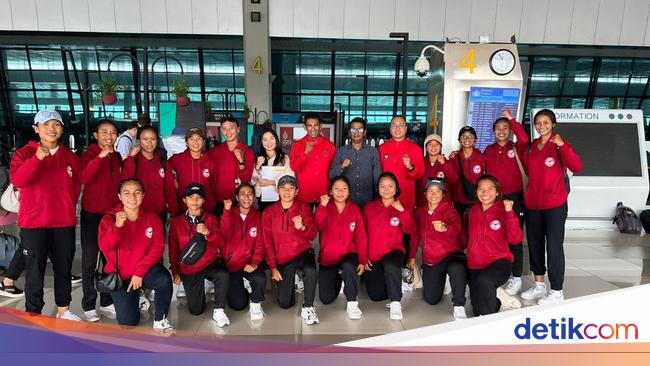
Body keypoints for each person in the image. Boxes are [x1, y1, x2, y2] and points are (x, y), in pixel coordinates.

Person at [10, 110, 81, 319]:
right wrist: (38, 158)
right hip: (34, 223)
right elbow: (19, 181)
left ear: (62, 129)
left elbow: (76, 185)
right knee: (34, 271)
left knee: (63, 268)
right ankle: (33, 313)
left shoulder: (69, 156)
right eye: (46, 124)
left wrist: (66, 204)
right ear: (36, 129)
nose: (52, 129)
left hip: (63, 222)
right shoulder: (24, 154)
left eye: (56, 124)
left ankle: (63, 310)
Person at [520, 109, 582, 305]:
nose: (541, 126)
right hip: (533, 204)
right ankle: (539, 286)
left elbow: (577, 166)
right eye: (538, 123)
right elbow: (530, 172)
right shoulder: (532, 147)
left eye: (546, 122)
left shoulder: (559, 146)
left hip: (555, 205)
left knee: (554, 246)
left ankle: (556, 290)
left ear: (553, 124)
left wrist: (563, 145)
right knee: (535, 244)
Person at [98, 178, 173, 331]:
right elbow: (105, 247)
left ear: (143, 196)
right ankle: (136, 297)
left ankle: (160, 319)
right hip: (121, 275)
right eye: (127, 193)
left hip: (143, 271)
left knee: (164, 279)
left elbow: (157, 248)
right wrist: (117, 226)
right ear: (119, 196)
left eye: (137, 193)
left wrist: (139, 272)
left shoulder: (152, 218)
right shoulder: (109, 219)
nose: (132, 197)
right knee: (128, 323)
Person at [168, 183, 230, 328]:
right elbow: (173, 249)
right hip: (190, 267)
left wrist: (209, 233)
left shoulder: (211, 218)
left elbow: (221, 241)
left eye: (199, 197)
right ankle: (200, 286)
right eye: (191, 197)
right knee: (196, 310)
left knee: (223, 274)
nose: (195, 201)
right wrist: (175, 271)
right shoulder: (176, 222)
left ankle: (219, 310)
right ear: (184, 200)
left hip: (209, 262)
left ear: (203, 201)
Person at [78, 119, 122, 322]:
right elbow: (83, 178)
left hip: (112, 215)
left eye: (112, 133)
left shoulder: (118, 156)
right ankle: (88, 304)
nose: (109, 136)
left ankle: (106, 301)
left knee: (109, 259)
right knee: (90, 259)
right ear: (96, 135)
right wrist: (100, 156)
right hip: (92, 215)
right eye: (104, 132)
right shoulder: (89, 154)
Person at [483, 110, 529, 296]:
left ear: (510, 131)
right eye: (498, 128)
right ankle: (502, 272)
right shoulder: (489, 150)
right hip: (495, 200)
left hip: (515, 198)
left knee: (514, 239)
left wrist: (512, 119)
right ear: (493, 131)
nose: (501, 131)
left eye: (505, 128)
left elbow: (525, 138)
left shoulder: (517, 148)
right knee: (497, 236)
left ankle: (516, 277)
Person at [262, 175, 319, 325]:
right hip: (283, 258)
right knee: (285, 303)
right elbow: (267, 242)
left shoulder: (304, 208)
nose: (287, 191)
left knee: (310, 270)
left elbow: (312, 235)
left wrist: (302, 227)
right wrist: (273, 268)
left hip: (302, 252)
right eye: (283, 188)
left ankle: (308, 307)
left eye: (291, 188)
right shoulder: (269, 212)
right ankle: (293, 279)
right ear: (278, 190)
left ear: (296, 191)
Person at [407, 178, 467, 320]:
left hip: (451, 255)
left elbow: (457, 227)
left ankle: (458, 305)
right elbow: (415, 236)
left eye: (438, 191)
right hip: (432, 259)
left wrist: (445, 228)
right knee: (431, 299)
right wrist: (412, 256)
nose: (434, 194)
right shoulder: (420, 212)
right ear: (425, 193)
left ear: (443, 194)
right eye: (430, 191)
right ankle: (443, 280)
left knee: (457, 268)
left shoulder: (449, 210)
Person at [466, 176, 523, 316]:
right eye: (481, 189)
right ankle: (498, 298)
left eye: (490, 189)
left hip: (499, 262)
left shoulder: (504, 210)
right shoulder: (472, 212)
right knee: (477, 310)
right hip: (476, 264)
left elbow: (516, 239)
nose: (485, 193)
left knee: (484, 283)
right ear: (476, 192)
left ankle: (491, 314)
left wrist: (510, 212)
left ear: (497, 192)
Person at [363, 172, 416, 320]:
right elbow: (362, 234)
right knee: (375, 295)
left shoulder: (401, 207)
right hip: (373, 255)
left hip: (394, 251)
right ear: (377, 188)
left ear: (396, 188)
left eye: (390, 186)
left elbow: (411, 230)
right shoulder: (369, 208)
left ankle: (395, 303)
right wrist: (363, 256)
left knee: (391, 264)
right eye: (382, 186)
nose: (386, 189)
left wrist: (402, 212)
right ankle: (397, 283)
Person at [315, 176, 367, 319]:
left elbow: (361, 236)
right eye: (336, 189)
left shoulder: (355, 209)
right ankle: (341, 277)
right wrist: (322, 207)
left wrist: (362, 260)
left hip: (348, 254)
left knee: (348, 265)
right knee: (326, 299)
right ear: (331, 191)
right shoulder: (325, 207)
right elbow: (316, 227)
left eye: (344, 189)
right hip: (329, 258)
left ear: (349, 192)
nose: (340, 192)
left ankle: (352, 302)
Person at [221, 183, 267, 320]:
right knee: (237, 305)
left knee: (260, 278)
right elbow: (226, 233)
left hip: (249, 262)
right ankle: (242, 284)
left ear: (254, 197)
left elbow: (260, 243)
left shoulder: (259, 216)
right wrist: (227, 212)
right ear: (236, 197)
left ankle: (255, 303)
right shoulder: (229, 213)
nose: (246, 197)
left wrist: (254, 262)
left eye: (250, 194)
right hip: (233, 264)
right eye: (242, 194)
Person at [328, 118, 382, 208]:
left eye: (360, 129)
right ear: (349, 132)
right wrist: (342, 166)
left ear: (364, 132)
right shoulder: (341, 151)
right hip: (347, 201)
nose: (356, 132)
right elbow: (331, 176)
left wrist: (378, 199)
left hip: (368, 201)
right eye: (353, 129)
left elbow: (377, 177)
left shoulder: (372, 152)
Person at [165, 127, 218, 216]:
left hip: (206, 210)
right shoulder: (176, 160)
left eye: (199, 138)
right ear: (186, 142)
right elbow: (166, 179)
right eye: (191, 139)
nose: (195, 142)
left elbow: (214, 185)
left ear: (204, 141)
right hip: (183, 210)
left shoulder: (211, 162)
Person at [208, 117, 255, 216]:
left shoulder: (248, 151)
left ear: (238, 129)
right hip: (218, 202)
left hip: (239, 202)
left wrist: (241, 161)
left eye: (231, 127)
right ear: (221, 131)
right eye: (224, 128)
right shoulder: (214, 152)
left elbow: (248, 179)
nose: (228, 131)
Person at [122, 126, 167, 225]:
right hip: (138, 213)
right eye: (145, 139)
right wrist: (131, 157)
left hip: (160, 212)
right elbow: (125, 183)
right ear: (138, 141)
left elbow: (169, 188)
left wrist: (173, 210)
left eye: (153, 139)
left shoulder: (162, 161)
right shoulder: (132, 161)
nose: (149, 143)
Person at [377, 115, 424, 211]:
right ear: (390, 129)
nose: (397, 128)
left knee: (406, 222)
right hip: (386, 197)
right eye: (394, 125)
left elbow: (420, 174)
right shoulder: (382, 148)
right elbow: (378, 173)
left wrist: (411, 167)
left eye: (401, 125)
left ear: (406, 129)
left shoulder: (415, 149)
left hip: (406, 197)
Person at [290, 113, 336, 207]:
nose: (313, 128)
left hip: (324, 195)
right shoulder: (298, 145)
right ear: (305, 127)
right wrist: (305, 153)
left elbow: (333, 170)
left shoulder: (329, 146)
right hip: (304, 195)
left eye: (316, 125)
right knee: (306, 221)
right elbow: (294, 167)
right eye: (310, 126)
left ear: (320, 126)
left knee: (323, 221)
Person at [251, 128, 293, 211]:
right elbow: (253, 181)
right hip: (262, 197)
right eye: (265, 140)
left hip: (278, 195)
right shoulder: (258, 158)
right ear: (261, 142)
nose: (269, 142)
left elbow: (290, 176)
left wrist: (271, 182)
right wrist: (257, 167)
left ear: (276, 140)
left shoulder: (284, 158)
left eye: (271, 138)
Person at [449, 126, 486, 217]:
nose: (467, 139)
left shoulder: (482, 157)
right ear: (459, 140)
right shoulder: (454, 157)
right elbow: (450, 179)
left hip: (477, 200)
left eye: (470, 136)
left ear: (475, 140)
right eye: (464, 136)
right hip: (458, 200)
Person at [418, 134, 458, 207]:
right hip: (424, 204)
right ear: (426, 147)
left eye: (437, 144)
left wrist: (444, 164)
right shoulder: (420, 162)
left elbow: (454, 180)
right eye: (430, 144)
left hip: (444, 204)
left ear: (441, 147)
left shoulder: (447, 162)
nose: (433, 147)